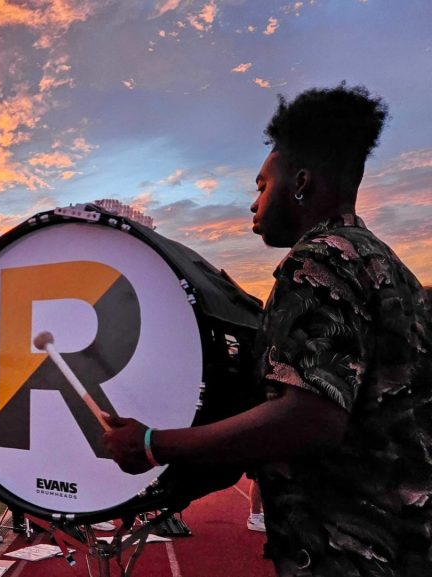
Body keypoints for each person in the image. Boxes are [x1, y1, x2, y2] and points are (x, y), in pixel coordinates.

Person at [103, 85, 432, 576]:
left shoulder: (317, 260)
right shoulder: (384, 264)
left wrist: (154, 444)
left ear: (300, 183)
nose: (253, 203)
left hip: (347, 551)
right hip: (405, 541)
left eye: (262, 186)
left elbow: (311, 417)